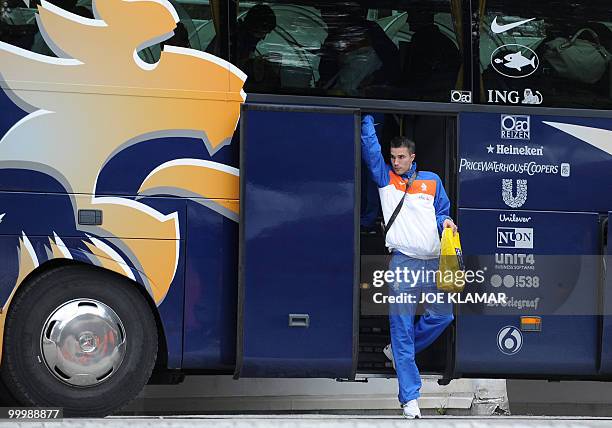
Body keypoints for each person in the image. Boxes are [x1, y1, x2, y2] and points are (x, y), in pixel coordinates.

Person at [361, 114, 456, 419]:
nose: (396, 161)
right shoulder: (385, 178)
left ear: (413, 157)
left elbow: (441, 211)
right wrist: (366, 119)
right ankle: (410, 400)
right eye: (393, 157)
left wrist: (446, 224)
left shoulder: (432, 180)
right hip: (402, 262)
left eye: (401, 157)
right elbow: (371, 152)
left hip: (432, 263)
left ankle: (398, 352)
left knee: (443, 316)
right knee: (400, 330)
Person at [318, 4, 399, 96]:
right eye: (324, 12)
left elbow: (392, 65)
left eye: (329, 12)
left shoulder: (371, 32)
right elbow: (326, 71)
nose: (325, 17)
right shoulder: (333, 37)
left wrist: (374, 80)